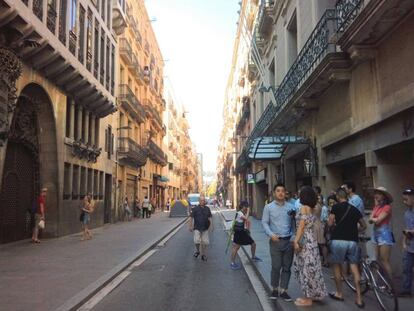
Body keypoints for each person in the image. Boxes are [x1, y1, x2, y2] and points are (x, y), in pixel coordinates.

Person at [328, 188, 367, 308]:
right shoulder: (355, 210)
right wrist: (355, 230)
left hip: (338, 240)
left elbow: (330, 223)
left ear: (338, 198)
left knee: (337, 265)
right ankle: (359, 298)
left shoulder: (335, 207)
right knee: (354, 267)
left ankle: (339, 293)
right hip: (352, 241)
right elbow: (364, 226)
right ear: (347, 197)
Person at [293, 186, 327, 306]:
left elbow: (301, 226)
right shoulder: (314, 208)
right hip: (312, 241)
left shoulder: (304, 208)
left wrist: (296, 241)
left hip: (305, 241)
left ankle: (308, 299)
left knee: (306, 269)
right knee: (313, 268)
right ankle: (315, 294)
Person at [262, 183, 295, 302]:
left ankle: (284, 290)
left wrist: (293, 237)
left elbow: (294, 224)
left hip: (288, 241)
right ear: (274, 193)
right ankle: (275, 289)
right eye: (278, 191)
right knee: (276, 266)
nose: (280, 193)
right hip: (275, 241)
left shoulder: (292, 207)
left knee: (287, 267)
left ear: (285, 193)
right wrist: (271, 234)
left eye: (282, 191)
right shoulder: (268, 207)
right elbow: (264, 222)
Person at [369, 186, 394, 278]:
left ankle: (392, 285)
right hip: (375, 233)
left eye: (379, 193)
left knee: (384, 260)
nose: (376, 195)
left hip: (384, 234)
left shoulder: (387, 207)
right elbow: (370, 219)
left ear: (384, 196)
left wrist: (374, 219)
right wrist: (374, 219)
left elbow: (378, 220)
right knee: (376, 259)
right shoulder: (376, 207)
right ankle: (378, 281)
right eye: (376, 193)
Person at [230, 200, 262, 270]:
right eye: (246, 207)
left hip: (242, 233)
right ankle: (232, 263)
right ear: (243, 207)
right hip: (239, 233)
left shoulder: (241, 213)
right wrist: (248, 211)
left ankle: (253, 257)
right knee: (236, 247)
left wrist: (247, 229)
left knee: (253, 243)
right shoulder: (240, 213)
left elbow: (245, 222)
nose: (247, 208)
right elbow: (246, 219)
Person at [188, 195, 213, 261]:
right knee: (196, 241)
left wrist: (211, 226)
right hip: (197, 227)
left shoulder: (207, 208)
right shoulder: (195, 209)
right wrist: (190, 226)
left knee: (205, 242)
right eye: (201, 200)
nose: (202, 201)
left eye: (203, 200)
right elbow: (191, 217)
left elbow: (210, 217)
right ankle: (198, 251)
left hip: (205, 228)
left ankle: (203, 254)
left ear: (205, 201)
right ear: (199, 201)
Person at [400, 188, 414, 297]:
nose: (404, 202)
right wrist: (404, 243)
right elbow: (406, 228)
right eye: (403, 200)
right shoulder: (406, 213)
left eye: (406, 199)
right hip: (409, 246)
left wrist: (410, 231)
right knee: (406, 269)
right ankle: (406, 290)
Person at [314, 193, 329, 267]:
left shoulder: (315, 206)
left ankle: (322, 260)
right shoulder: (320, 206)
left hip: (315, 225)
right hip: (319, 225)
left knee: (319, 244)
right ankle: (325, 260)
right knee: (322, 244)